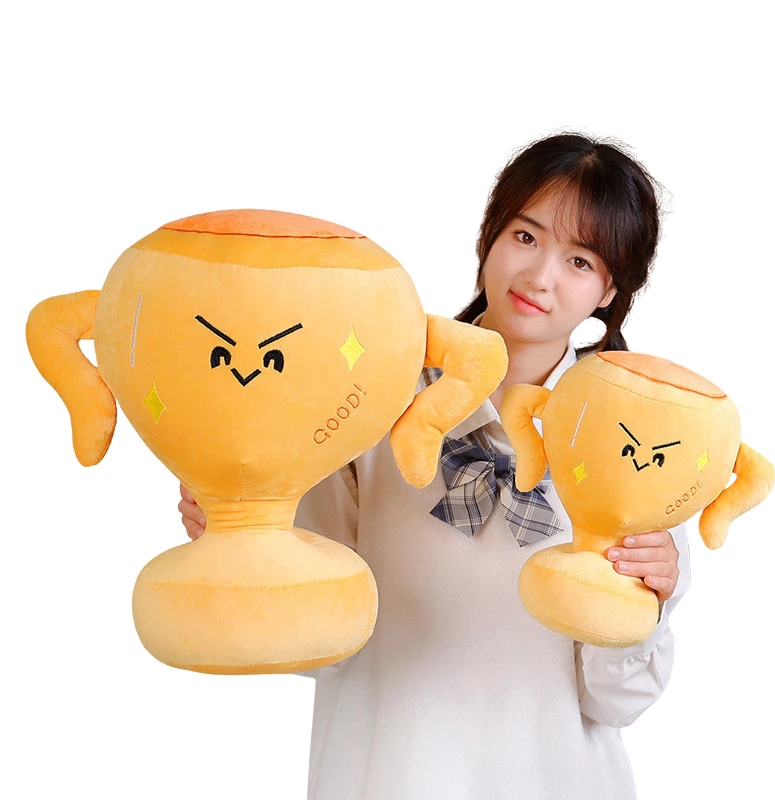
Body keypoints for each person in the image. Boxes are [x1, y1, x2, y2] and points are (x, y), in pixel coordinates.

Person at [179, 132, 688, 800]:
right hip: (386, 777)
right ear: (489, 237)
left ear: (610, 289)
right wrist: (247, 539)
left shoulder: (639, 440)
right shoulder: (369, 399)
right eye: (525, 237)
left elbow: (616, 702)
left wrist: (649, 600)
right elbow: (316, 640)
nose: (540, 276)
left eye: (580, 260)